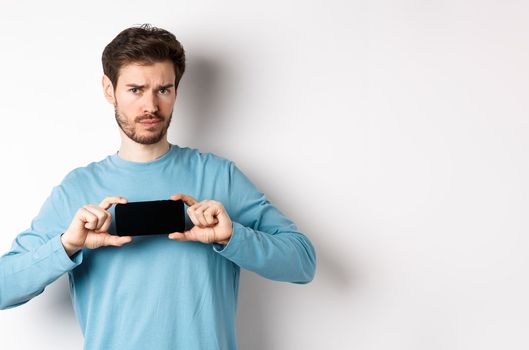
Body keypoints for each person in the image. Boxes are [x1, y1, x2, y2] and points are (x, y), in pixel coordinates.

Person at [0, 24, 316, 350]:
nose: (150, 106)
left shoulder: (220, 176)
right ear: (109, 89)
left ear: (177, 91)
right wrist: (67, 245)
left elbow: (303, 263)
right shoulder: (77, 189)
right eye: (136, 90)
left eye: (163, 90)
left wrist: (232, 236)